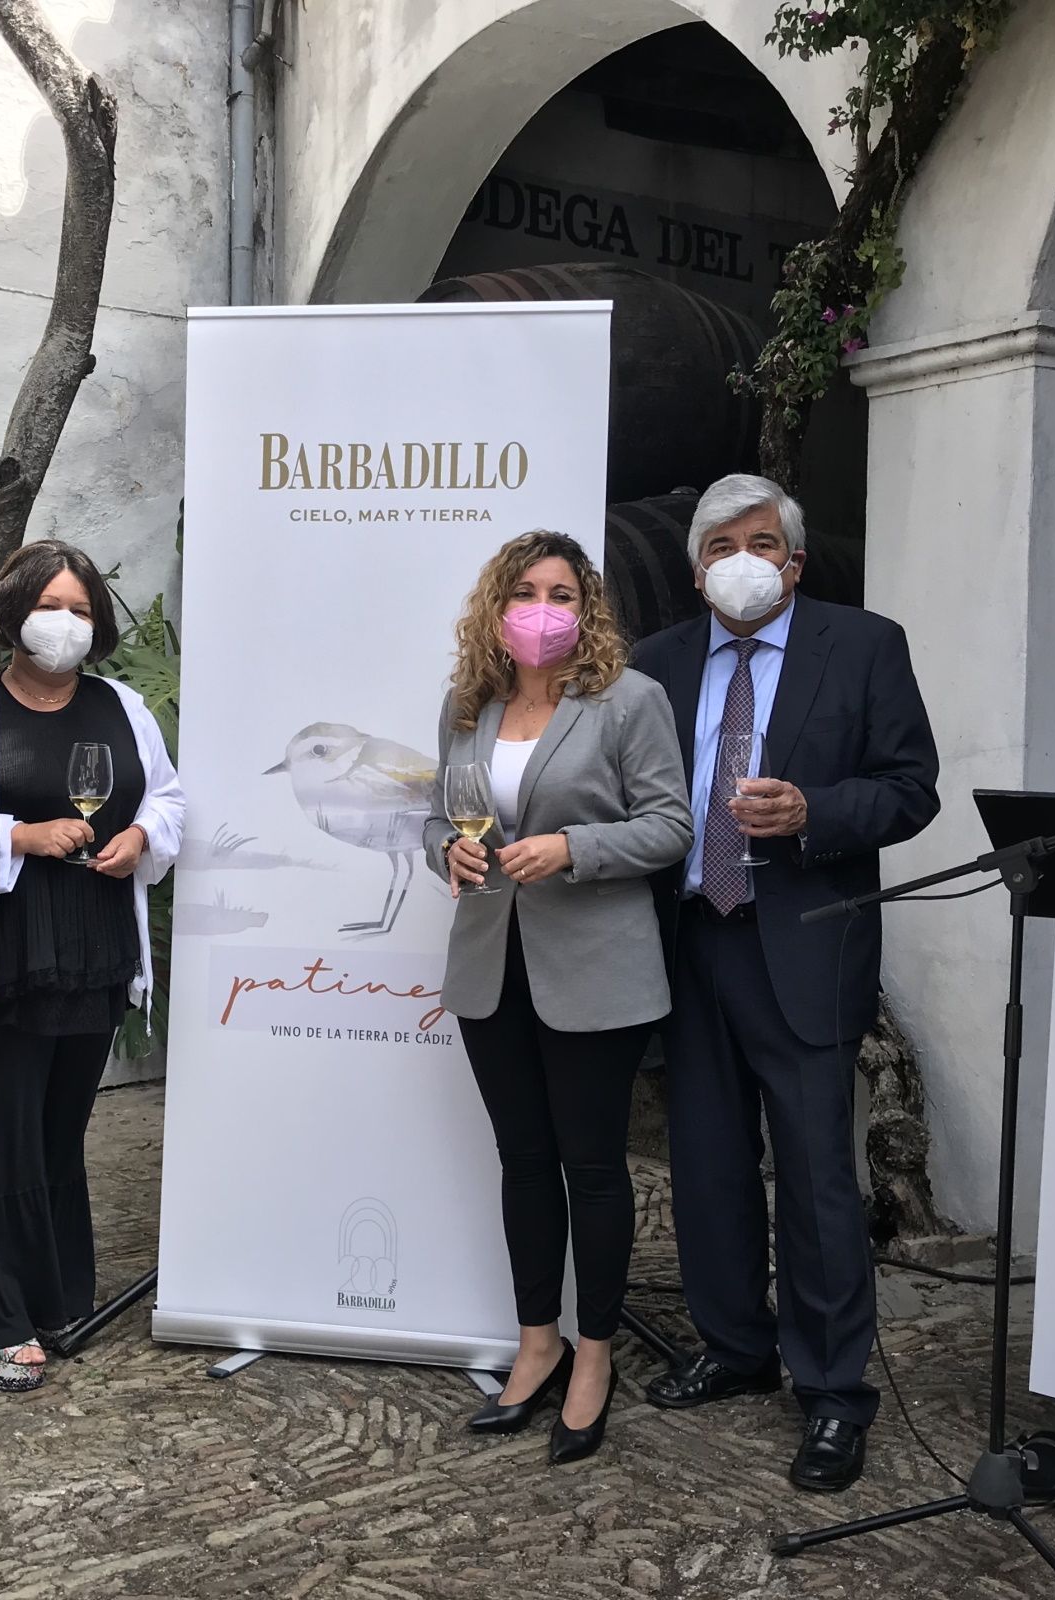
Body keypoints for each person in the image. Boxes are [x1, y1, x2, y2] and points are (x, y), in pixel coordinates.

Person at [630, 473, 940, 1493]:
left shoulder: (864, 646)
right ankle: (732, 1342)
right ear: (696, 567)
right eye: (719, 544)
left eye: (760, 541)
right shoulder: (657, 664)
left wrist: (813, 809)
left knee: (815, 1177)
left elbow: (910, 790)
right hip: (690, 941)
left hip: (804, 941)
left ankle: (833, 1391)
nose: (742, 559)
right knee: (706, 1163)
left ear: (794, 560)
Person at [425, 529, 692, 1465]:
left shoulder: (629, 702)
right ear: (499, 606)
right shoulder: (469, 705)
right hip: (490, 965)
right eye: (529, 591)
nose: (547, 609)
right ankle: (536, 1343)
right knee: (524, 1163)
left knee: (594, 1168)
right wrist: (447, 851)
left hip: (596, 973)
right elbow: (435, 819)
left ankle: (594, 1355)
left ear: (589, 609)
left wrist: (574, 848)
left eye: (566, 594)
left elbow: (670, 826)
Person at [0, 540, 184, 1392]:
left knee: (59, 1133)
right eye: (50, 606)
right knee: (1, 1131)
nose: (65, 624)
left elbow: (169, 797)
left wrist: (142, 836)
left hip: (97, 947)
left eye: (81, 610)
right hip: (3, 947)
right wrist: (20, 837)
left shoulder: (123, 705)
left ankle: (48, 1290)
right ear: (12, 613)